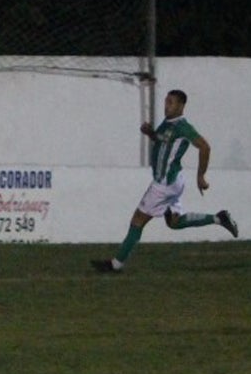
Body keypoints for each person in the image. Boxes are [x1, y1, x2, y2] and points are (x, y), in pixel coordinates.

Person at [91, 89, 237, 274]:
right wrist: (150, 133)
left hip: (164, 184)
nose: (167, 106)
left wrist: (200, 176)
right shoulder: (167, 124)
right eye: (166, 101)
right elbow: (161, 141)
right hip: (173, 181)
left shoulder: (182, 127)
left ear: (181, 106)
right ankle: (219, 218)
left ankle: (115, 265)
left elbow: (205, 147)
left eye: (171, 102)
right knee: (175, 222)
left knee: (138, 220)